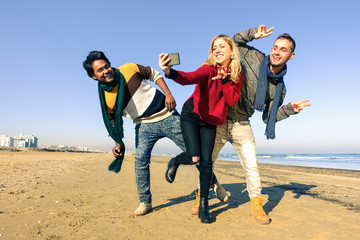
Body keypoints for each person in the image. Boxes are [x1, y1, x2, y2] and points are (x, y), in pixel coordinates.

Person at [186, 25, 311, 224]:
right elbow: (232, 43)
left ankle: (256, 205)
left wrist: (288, 110)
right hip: (219, 119)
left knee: (252, 166)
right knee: (206, 162)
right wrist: (253, 34)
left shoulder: (280, 88)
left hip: (242, 123)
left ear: (291, 56)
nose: (277, 52)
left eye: (283, 50)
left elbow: (267, 117)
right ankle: (201, 198)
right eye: (275, 47)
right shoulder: (254, 57)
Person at [82, 51, 194, 217]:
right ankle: (145, 202)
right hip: (143, 125)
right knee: (140, 163)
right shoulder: (106, 99)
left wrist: (169, 94)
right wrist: (118, 143)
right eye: (100, 70)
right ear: (94, 76)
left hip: (166, 114)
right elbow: (113, 122)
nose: (106, 70)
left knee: (195, 152)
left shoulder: (128, 69)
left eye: (107, 66)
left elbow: (153, 74)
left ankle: (210, 183)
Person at [159, 34, 243, 223]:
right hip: (192, 114)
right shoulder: (208, 68)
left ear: (232, 51)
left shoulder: (236, 75)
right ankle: (174, 162)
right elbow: (188, 78)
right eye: (214, 47)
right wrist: (169, 71)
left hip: (211, 120)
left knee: (206, 164)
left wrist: (224, 80)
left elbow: (231, 100)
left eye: (222, 46)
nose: (217, 50)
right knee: (193, 157)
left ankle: (204, 205)